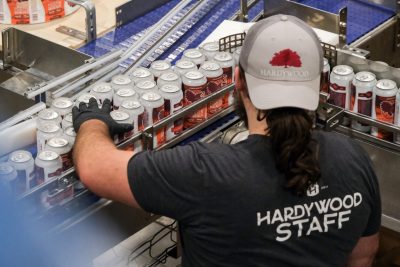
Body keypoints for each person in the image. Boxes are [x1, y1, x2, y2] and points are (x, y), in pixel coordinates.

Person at [72, 15, 381, 267]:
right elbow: (363, 254)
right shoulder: (352, 159)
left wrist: (91, 122)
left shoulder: (206, 173)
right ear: (319, 86)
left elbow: (94, 168)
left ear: (238, 81)